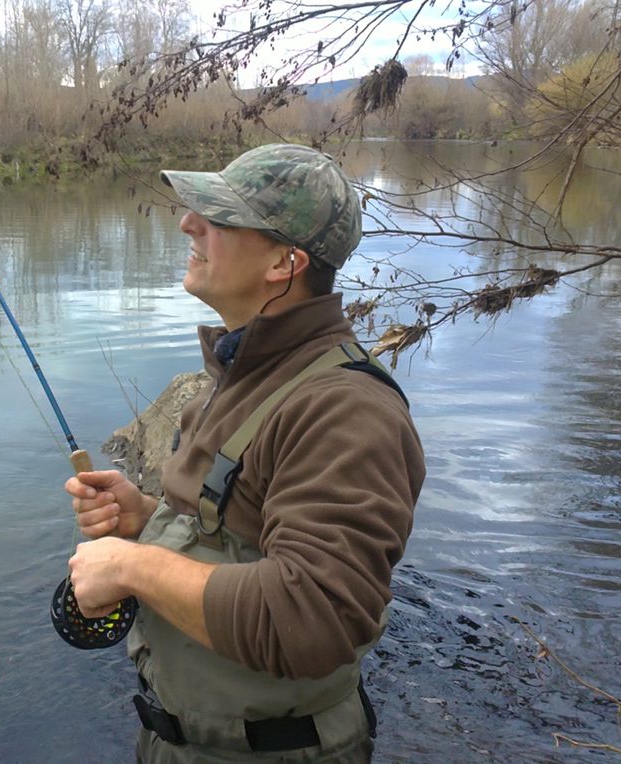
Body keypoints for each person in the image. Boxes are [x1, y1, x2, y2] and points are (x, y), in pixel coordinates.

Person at [64, 144, 425, 763]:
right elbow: (241, 532)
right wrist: (146, 518)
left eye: (219, 217)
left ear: (286, 262)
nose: (188, 223)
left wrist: (130, 566)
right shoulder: (243, 371)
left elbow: (314, 617)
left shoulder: (345, 409)